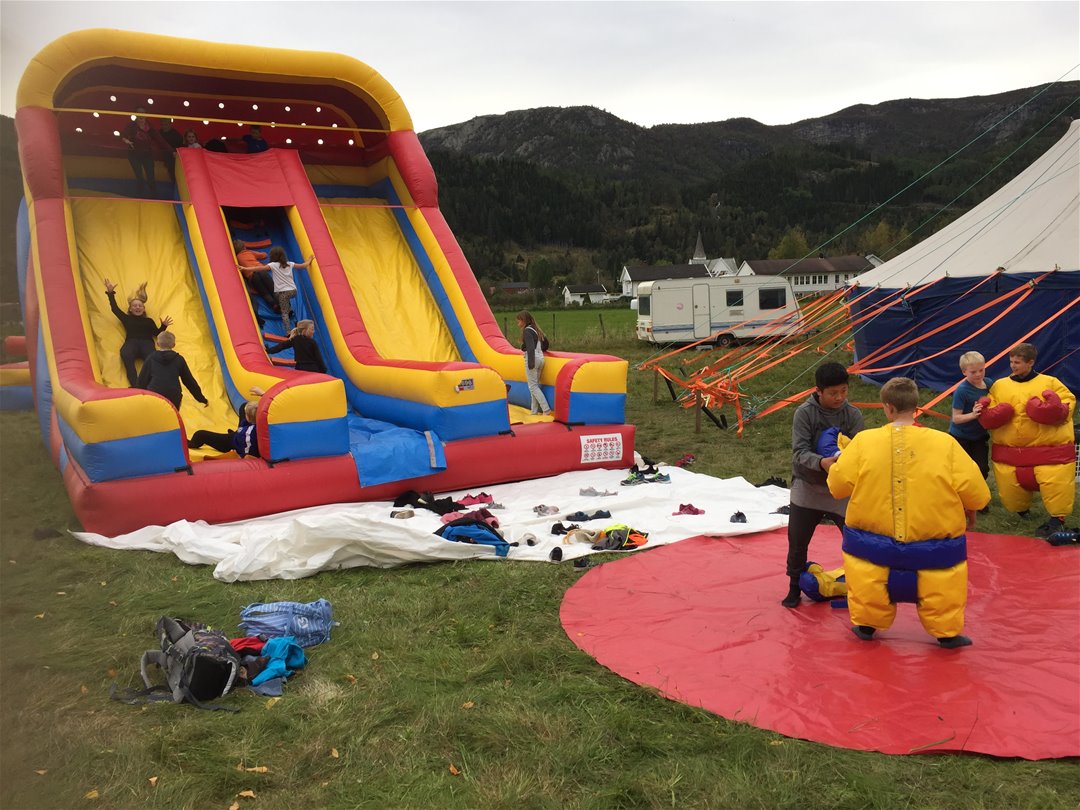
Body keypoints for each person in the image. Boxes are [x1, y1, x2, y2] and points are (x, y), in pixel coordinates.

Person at [828, 377, 990, 648]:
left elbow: (837, 486)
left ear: (888, 407)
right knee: (942, 589)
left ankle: (867, 624)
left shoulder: (864, 442)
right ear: (916, 407)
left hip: (873, 548)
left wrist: (838, 461)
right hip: (934, 549)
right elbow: (978, 493)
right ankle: (946, 631)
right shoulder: (945, 443)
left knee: (869, 584)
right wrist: (970, 508)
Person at [781, 361, 864, 607]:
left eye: (844, 391)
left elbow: (861, 451)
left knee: (857, 541)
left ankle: (861, 588)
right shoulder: (804, 413)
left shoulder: (853, 415)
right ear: (818, 391)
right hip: (808, 486)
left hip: (841, 490)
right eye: (833, 393)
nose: (839, 397)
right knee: (797, 540)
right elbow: (799, 453)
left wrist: (846, 462)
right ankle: (794, 586)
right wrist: (821, 463)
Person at [979, 343, 1076, 536]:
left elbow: (1068, 401)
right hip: (1011, 455)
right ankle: (1021, 510)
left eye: (1017, 362)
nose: (1012, 366)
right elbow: (989, 406)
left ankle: (1057, 519)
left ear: (1030, 362)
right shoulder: (1000, 385)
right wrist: (989, 414)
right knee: (1012, 492)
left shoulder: (1050, 383)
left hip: (1049, 454)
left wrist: (1055, 411)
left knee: (1056, 484)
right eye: (1011, 362)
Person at [104, 279, 173, 387]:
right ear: (130, 309)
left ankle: (150, 384)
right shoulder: (127, 319)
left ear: (144, 309)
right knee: (126, 353)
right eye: (134, 306)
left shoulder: (149, 321)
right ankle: (135, 385)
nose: (137, 307)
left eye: (140, 306)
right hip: (132, 342)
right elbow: (115, 309)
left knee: (153, 359)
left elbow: (157, 334)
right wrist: (110, 293)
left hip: (146, 343)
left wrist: (163, 326)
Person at [948, 351, 994, 484]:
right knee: (961, 470)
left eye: (981, 370)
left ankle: (978, 492)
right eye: (973, 372)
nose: (978, 374)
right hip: (960, 437)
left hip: (979, 436)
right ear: (964, 372)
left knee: (982, 469)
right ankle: (961, 492)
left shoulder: (988, 383)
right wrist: (973, 415)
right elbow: (956, 418)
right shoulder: (962, 390)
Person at [243, 247, 313, 333]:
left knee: (284, 312)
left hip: (282, 293)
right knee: (282, 298)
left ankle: (288, 331)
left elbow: (259, 268)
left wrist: (246, 269)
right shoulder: (289, 264)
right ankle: (289, 310)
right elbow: (303, 266)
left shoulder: (273, 265)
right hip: (293, 291)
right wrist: (309, 260)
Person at [135, 331, 209, 411]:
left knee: (155, 414)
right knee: (172, 415)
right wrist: (201, 398)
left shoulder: (151, 358)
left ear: (158, 344)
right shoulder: (179, 359)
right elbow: (189, 381)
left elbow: (142, 380)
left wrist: (137, 396)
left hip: (155, 393)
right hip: (173, 396)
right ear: (174, 345)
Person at [188, 388, 263, 458]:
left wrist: (236, 453)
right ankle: (237, 431)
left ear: (248, 418)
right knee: (243, 406)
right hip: (242, 433)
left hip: (233, 442)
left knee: (200, 434)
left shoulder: (247, 435)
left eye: (246, 414)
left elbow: (247, 453)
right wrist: (262, 394)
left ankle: (191, 444)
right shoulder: (263, 422)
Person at [120, 108, 164, 196]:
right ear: (136, 115)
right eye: (139, 113)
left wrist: (172, 151)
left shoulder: (150, 127)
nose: (141, 115)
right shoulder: (131, 126)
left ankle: (154, 195)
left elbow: (160, 140)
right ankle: (139, 195)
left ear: (146, 115)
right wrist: (126, 140)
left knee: (150, 177)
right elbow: (122, 135)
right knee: (139, 177)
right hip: (134, 155)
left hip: (147, 155)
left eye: (143, 113)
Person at [517, 311, 551, 416]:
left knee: (532, 387)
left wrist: (530, 363)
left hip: (533, 359)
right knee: (534, 386)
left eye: (519, 321)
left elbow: (531, 347)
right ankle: (534, 411)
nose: (518, 323)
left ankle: (546, 409)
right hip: (541, 358)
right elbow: (546, 344)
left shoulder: (527, 331)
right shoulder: (536, 329)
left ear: (523, 320)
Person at [233, 239, 276, 311]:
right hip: (261, 270)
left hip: (253, 277)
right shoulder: (249, 252)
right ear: (244, 247)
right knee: (273, 288)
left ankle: (274, 305)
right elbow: (264, 255)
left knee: (264, 293)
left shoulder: (237, 258)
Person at [158, 119, 184, 184]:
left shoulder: (176, 135)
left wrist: (175, 152)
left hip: (172, 157)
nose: (164, 126)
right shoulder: (159, 133)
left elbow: (181, 146)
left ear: (170, 124)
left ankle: (174, 183)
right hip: (161, 155)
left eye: (166, 124)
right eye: (162, 125)